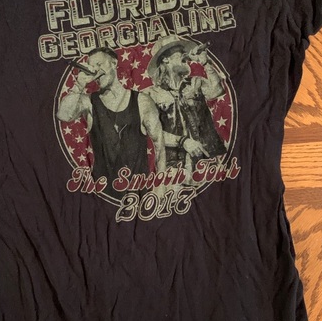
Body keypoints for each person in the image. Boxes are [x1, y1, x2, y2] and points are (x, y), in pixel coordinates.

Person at [56, 46, 166, 200]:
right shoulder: (89, 101)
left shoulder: (142, 101)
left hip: (139, 193)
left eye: (99, 64)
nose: (95, 70)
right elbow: (63, 115)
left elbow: (159, 144)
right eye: (91, 67)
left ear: (114, 63)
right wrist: (79, 85)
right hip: (103, 195)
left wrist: (160, 185)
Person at [145, 35, 228, 180]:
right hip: (174, 166)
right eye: (179, 50)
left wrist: (206, 63)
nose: (185, 53)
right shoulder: (150, 94)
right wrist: (183, 141)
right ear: (165, 59)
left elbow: (217, 90)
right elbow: (152, 132)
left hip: (208, 160)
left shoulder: (196, 83)